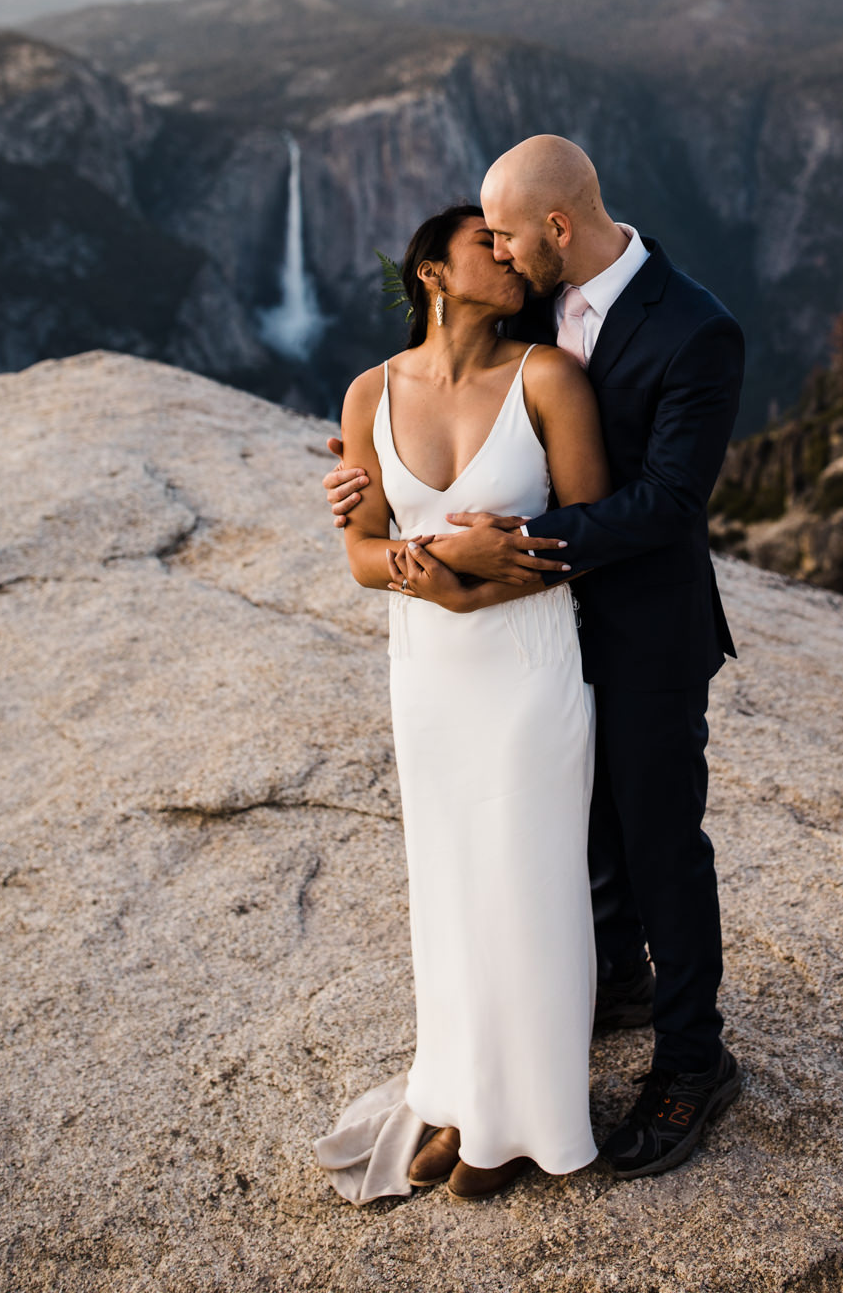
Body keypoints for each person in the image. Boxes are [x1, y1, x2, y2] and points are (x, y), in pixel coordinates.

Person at [324, 136, 746, 1180]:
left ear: (555, 227)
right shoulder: (529, 303)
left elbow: (668, 503)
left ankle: (694, 1061)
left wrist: (495, 551)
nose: (502, 252)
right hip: (514, 641)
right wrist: (373, 488)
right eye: (488, 239)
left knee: (657, 842)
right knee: (567, 846)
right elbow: (442, 413)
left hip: (640, 628)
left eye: (508, 231)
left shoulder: (696, 328)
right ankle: (593, 995)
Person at [312, 203, 612, 1205]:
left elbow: (586, 532)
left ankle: (527, 1118)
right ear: (431, 272)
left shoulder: (549, 378)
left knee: (526, 883)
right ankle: (455, 1092)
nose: (512, 254)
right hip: (428, 677)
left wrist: (470, 573)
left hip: (527, 668)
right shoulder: (368, 393)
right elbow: (359, 558)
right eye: (487, 243)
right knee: (446, 885)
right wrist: (440, 563)